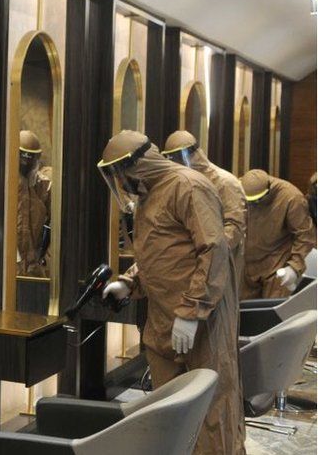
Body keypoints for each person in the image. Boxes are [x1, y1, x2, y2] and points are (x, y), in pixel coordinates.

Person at [99, 131, 244, 455]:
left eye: (120, 173)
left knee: (211, 406)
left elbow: (213, 249)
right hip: (163, 318)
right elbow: (160, 253)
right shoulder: (149, 195)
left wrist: (191, 311)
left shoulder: (188, 186)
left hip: (203, 320)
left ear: (138, 165)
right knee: (170, 407)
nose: (120, 182)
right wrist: (129, 282)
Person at [162, 130, 246, 296]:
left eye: (182, 156)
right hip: (187, 270)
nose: (179, 162)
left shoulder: (225, 182)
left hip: (219, 266)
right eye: (174, 158)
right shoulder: (180, 183)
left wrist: (207, 254)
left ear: (195, 152)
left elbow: (234, 227)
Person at [239, 169, 316, 299]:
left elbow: (305, 236)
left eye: (258, 200)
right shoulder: (234, 189)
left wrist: (294, 267)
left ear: (269, 189)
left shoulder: (291, 197)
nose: (253, 204)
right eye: (249, 201)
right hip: (245, 265)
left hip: (276, 264)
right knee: (246, 313)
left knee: (273, 312)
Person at [17, 131, 51, 278]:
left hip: (33, 268)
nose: (25, 165)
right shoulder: (4, 183)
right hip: (5, 266)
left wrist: (44, 260)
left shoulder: (43, 186)